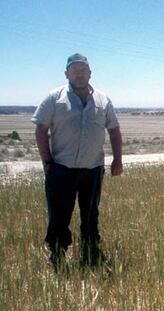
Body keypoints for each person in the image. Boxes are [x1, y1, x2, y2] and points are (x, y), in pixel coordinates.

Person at [32, 53, 123, 270]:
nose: (79, 73)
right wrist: (47, 162)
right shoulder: (54, 98)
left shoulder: (103, 100)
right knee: (59, 215)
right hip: (61, 168)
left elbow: (114, 130)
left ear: (90, 73)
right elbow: (40, 129)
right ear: (66, 73)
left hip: (93, 169)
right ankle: (57, 256)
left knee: (91, 214)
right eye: (75, 70)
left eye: (83, 69)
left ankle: (91, 252)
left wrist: (118, 159)